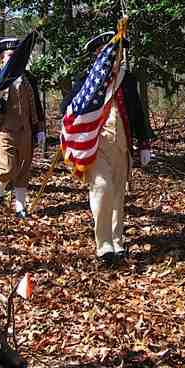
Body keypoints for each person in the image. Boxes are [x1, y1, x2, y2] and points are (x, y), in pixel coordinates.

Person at [63, 31, 154, 265]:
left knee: (117, 195)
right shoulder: (87, 80)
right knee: (102, 189)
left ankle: (117, 241)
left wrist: (144, 141)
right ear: (98, 56)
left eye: (118, 54)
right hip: (96, 145)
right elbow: (68, 107)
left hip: (122, 144)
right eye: (111, 55)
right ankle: (103, 246)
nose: (116, 59)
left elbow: (137, 112)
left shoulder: (127, 79)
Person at [0, 37, 46, 218]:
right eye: (11, 55)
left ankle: (20, 207)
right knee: (7, 168)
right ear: (2, 58)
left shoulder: (29, 78)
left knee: (23, 170)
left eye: (17, 56)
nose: (15, 59)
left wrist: (40, 128)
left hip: (26, 130)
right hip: (3, 130)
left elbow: (37, 105)